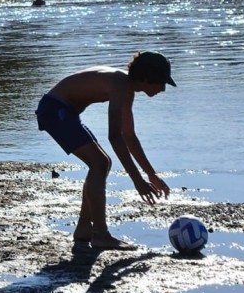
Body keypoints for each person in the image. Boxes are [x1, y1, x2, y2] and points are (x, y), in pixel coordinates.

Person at [35, 51, 176, 251]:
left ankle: (84, 229)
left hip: (64, 111)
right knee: (99, 163)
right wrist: (137, 181)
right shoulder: (120, 85)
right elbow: (114, 136)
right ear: (146, 77)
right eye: (161, 82)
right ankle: (100, 234)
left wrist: (150, 175)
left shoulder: (126, 88)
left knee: (102, 163)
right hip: (54, 110)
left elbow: (129, 135)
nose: (163, 88)